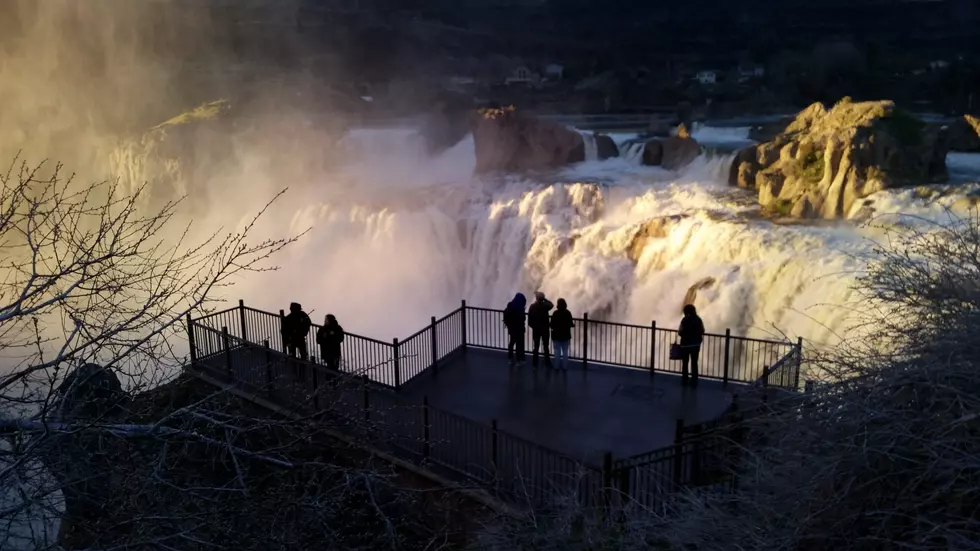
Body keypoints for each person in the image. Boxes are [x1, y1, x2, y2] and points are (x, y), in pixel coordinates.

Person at [678, 303, 705, 387]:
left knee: (685, 362)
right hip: (695, 345)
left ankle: (685, 378)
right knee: (694, 362)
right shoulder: (698, 319)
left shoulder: (684, 320)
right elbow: (702, 330)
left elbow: (680, 332)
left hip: (685, 345)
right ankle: (694, 379)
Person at [527, 291, 554, 368]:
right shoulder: (545, 306)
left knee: (536, 347)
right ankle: (547, 363)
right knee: (546, 347)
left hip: (536, 330)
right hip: (545, 330)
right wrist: (544, 299)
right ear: (542, 298)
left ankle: (535, 363)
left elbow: (529, 320)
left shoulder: (532, 306)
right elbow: (551, 305)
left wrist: (533, 326)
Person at [550, 298, 574, 371]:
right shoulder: (568, 313)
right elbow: (570, 324)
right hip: (565, 335)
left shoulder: (555, 313)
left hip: (556, 335)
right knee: (565, 351)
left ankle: (556, 366)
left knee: (557, 351)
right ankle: (565, 366)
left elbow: (552, 324)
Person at [503, 292, 527, 366]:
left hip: (512, 328)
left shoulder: (510, 306)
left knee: (512, 343)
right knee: (518, 344)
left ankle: (510, 358)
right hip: (518, 329)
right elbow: (523, 318)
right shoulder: (519, 309)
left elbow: (506, 315)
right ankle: (518, 360)